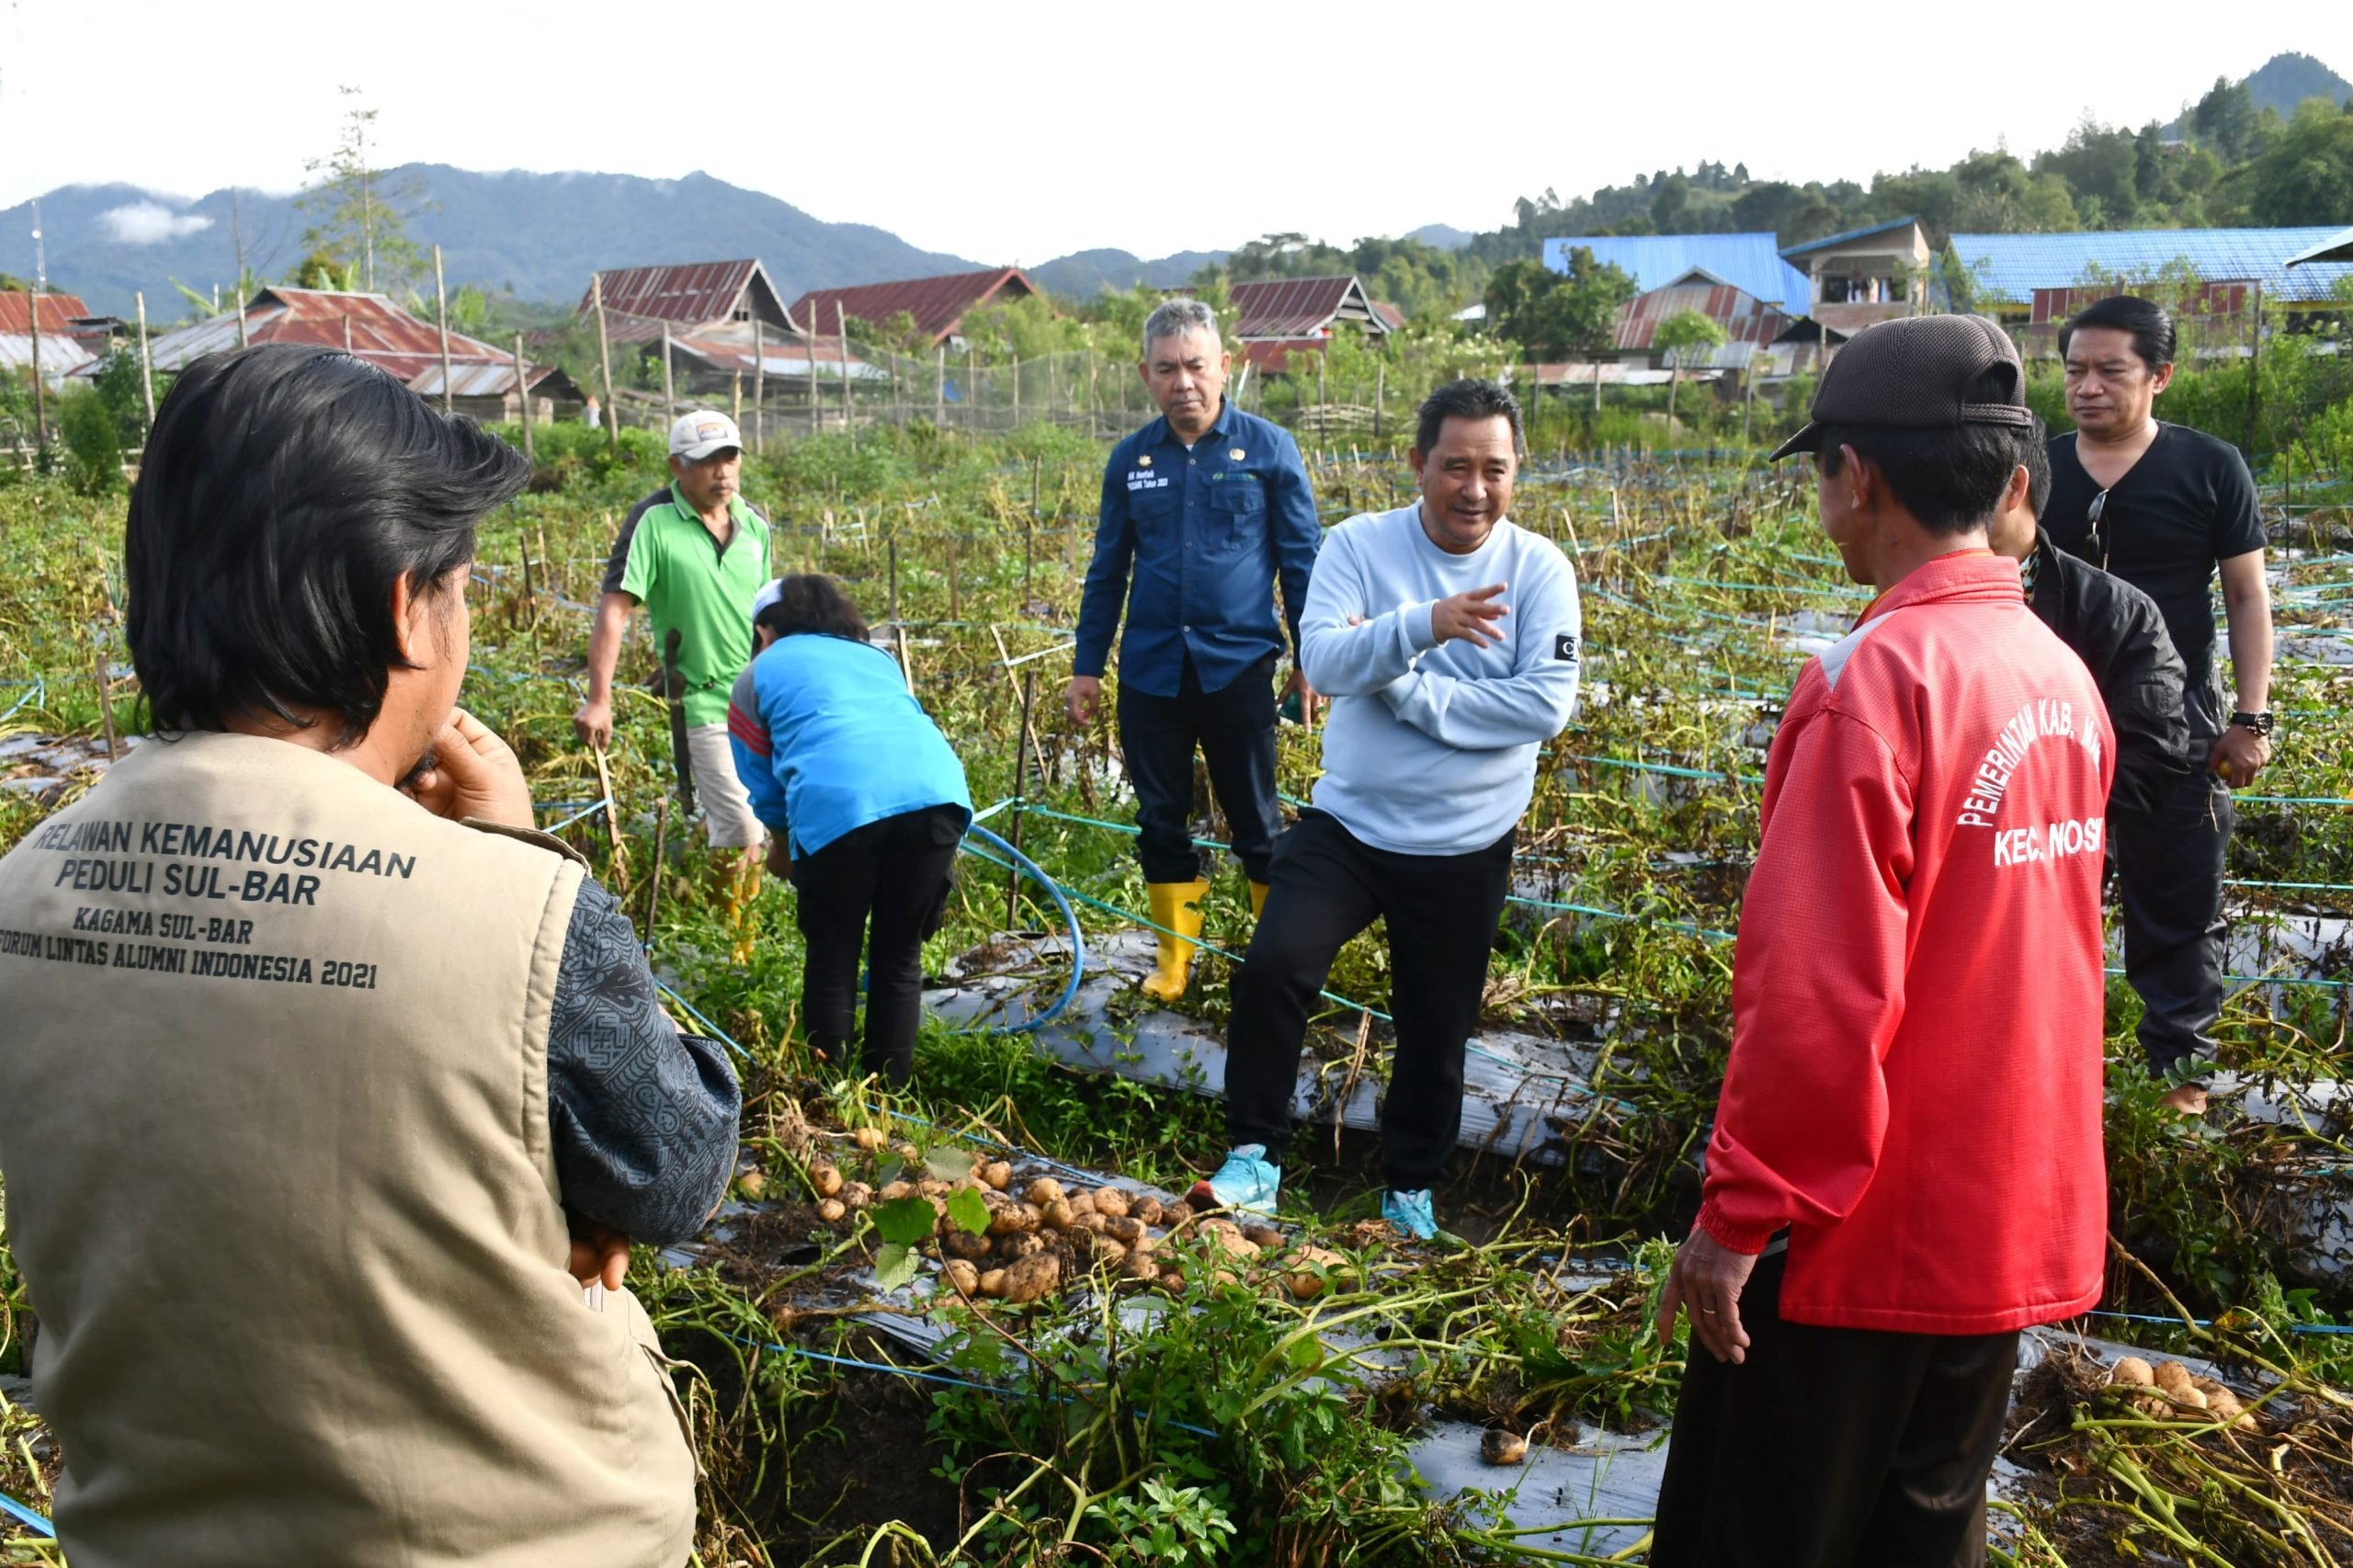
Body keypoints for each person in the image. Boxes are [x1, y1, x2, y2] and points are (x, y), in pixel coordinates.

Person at [0, 345, 739, 1566]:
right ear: (406, 605)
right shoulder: (517, 911)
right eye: (461, 588)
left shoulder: (24, 887)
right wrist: (513, 855)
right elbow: (673, 1171)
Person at [1652, 316, 2113, 1565]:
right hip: (2010, 1212)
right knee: (1922, 1537)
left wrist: (1738, 1218)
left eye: (1823, 470)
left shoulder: (1874, 683)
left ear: (1857, 477)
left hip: (1860, 1236)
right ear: (2009, 480)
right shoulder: (2055, 673)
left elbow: (1816, 1000)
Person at [1195, 380, 1581, 1241]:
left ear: (1517, 472)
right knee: (1274, 967)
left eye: (1494, 468)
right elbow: (1326, 661)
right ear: (1419, 465)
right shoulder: (1358, 545)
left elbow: (1543, 707)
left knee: (1435, 1027)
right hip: (1351, 826)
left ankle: (1410, 1191)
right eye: (1455, 466)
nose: (1474, 488)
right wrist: (1421, 624)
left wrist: (1407, 693)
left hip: (1466, 841)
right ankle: (1253, 1156)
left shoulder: (1539, 569)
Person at [2042, 296, 2274, 1114]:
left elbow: (2246, 597)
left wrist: (2250, 718)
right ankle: (2040, 1064)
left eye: (2112, 370)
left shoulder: (2209, 467)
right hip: (2051, 718)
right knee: (2034, 892)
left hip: (2178, 719)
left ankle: (2179, 1081)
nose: (2088, 388)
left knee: (2178, 899)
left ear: (2161, 375)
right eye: (2075, 370)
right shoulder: (2034, 467)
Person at [1068, 298, 1322, 1001]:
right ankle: (1175, 962)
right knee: (1160, 816)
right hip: (1151, 671)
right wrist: (1088, 665)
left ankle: (1272, 965)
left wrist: (1312, 656)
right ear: (1146, 375)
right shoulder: (1132, 459)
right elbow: (1108, 568)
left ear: (1225, 368)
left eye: (1196, 366)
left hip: (1238, 667)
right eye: (1167, 368)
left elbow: (1303, 561)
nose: (1184, 382)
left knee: (1258, 821)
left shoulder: (1269, 450)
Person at [727, 575, 972, 1087]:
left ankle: (828, 1099)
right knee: (900, 956)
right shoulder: (877, 658)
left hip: (839, 805)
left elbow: (761, 778)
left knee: (833, 957)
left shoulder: (758, 672)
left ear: (766, 628)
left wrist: (780, 844)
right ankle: (887, 1098)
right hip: (937, 797)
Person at [574, 409, 771, 875]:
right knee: (743, 828)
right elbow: (615, 609)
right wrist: (599, 699)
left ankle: (710, 897)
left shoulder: (756, 525)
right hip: (701, 701)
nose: (722, 471)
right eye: (707, 461)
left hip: (757, 699)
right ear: (677, 467)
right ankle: (735, 946)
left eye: (730, 458)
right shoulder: (653, 521)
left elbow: (769, 617)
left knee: (761, 820)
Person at [1989, 418, 2195, 817]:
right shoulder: (1918, 596)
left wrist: (2033, 815)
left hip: (2052, 855)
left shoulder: (2117, 614)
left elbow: (2153, 758)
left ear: (2015, 486)